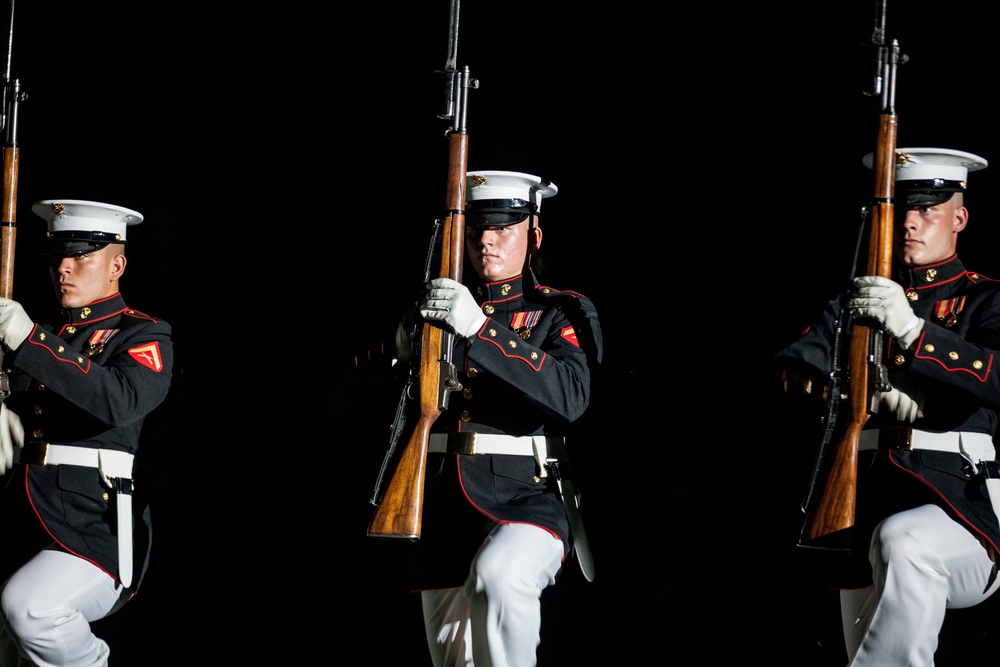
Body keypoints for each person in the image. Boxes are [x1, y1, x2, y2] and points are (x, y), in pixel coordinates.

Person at [775, 147, 1000, 664]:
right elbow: (791, 373)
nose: (911, 223)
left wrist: (917, 335)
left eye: (928, 209)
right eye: (903, 210)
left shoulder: (984, 300)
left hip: (960, 504)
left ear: (959, 218)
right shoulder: (860, 299)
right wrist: (852, 390)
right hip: (863, 500)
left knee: (906, 542)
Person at [401, 170, 602, 667]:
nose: (486, 240)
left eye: (503, 227)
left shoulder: (560, 311)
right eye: (476, 228)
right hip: (446, 505)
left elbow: (571, 396)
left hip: (526, 496)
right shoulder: (433, 311)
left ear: (532, 235)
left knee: (501, 575)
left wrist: (480, 328)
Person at [0, 199, 173, 667]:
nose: (64, 268)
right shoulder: (38, 337)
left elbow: (119, 401)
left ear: (117, 264)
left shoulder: (141, 334)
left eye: (81, 256)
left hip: (91, 526)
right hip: (22, 515)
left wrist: (29, 341)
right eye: (58, 256)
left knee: (32, 609)